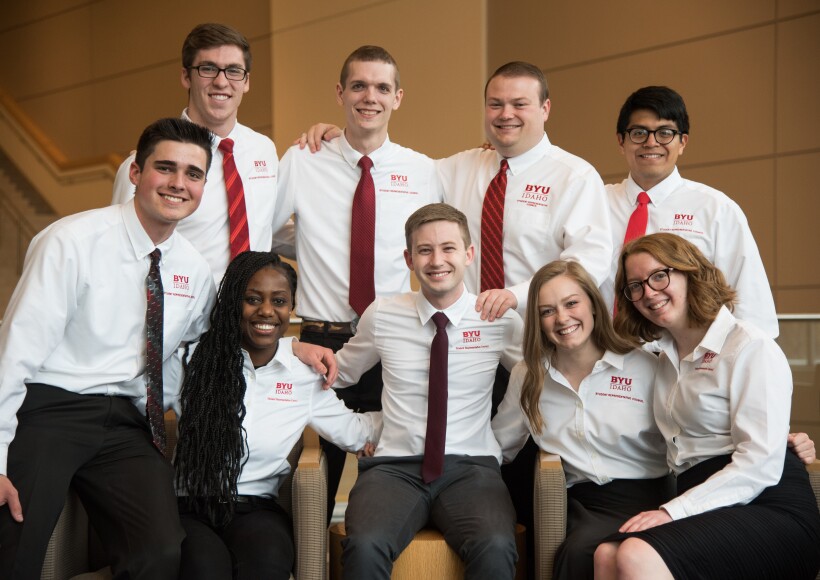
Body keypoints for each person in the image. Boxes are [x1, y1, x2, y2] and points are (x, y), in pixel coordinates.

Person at [0, 118, 216, 579]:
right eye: (165, 168)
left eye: (193, 173)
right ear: (136, 173)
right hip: (49, 408)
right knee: (14, 536)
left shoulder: (195, 271)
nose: (178, 183)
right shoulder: (71, 241)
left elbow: (195, 350)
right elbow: (14, 353)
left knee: (160, 551)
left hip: (125, 422)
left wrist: (293, 351)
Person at [273, 45, 442, 521]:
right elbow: (264, 234)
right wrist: (309, 246)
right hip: (320, 343)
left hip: (393, 344)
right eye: (359, 86)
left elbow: (446, 242)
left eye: (382, 88)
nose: (370, 97)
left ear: (398, 97)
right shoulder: (302, 159)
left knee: (388, 491)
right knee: (306, 493)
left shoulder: (423, 170)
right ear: (340, 93)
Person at [594, 233, 820, 579]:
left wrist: (673, 511)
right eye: (635, 286)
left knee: (635, 554)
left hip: (768, 506)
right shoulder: (661, 357)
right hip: (704, 501)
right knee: (606, 554)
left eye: (659, 276)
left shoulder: (749, 346)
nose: (648, 293)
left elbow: (760, 463)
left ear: (691, 273)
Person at [334, 203, 523, 579]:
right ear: (409, 259)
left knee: (496, 546)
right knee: (365, 546)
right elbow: (337, 375)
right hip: (393, 469)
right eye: (424, 250)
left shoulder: (497, 319)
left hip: (472, 468)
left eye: (448, 248)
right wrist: (353, 430)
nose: (437, 261)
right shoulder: (382, 314)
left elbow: (537, 376)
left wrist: (502, 441)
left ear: (468, 254)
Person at [172, 251, 378, 580]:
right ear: (233, 302)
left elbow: (357, 432)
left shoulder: (303, 377)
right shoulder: (191, 362)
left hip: (256, 509)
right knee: (204, 568)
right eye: (252, 299)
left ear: (291, 306)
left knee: (266, 562)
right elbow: (140, 397)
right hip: (189, 507)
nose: (267, 311)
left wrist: (417, 418)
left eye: (279, 301)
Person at [492, 260, 670, 580]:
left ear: (593, 305)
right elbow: (497, 447)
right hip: (585, 504)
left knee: (624, 553)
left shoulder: (644, 366)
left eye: (571, 303)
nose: (562, 318)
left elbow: (685, 439)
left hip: (653, 499)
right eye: (547, 311)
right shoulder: (528, 376)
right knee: (581, 551)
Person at [112, 23, 284, 284]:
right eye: (208, 68)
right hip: (183, 306)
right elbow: (121, 250)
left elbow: (269, 225)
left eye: (234, 71)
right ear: (186, 77)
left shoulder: (264, 150)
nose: (221, 82)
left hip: (248, 306)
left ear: (246, 81)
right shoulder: (151, 164)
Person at [603, 86, 778, 337]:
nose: (651, 142)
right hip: (605, 353)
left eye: (665, 133)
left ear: (682, 142)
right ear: (621, 141)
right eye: (639, 133)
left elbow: (752, 309)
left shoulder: (716, 209)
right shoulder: (595, 203)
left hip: (686, 355)